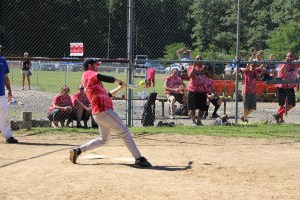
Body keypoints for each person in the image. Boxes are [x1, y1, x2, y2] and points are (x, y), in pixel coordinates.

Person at [69, 59, 151, 167]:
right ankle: (139, 159)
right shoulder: (88, 73)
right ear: (89, 66)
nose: (97, 67)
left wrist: (120, 87)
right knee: (125, 132)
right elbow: (103, 77)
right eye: (95, 65)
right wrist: (118, 80)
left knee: (104, 140)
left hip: (99, 113)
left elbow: (107, 95)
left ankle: (78, 150)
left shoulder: (93, 83)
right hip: (103, 111)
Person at [273, 52, 300, 123]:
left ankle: (278, 114)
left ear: (293, 57)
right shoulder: (283, 63)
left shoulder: (296, 64)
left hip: (290, 86)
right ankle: (280, 119)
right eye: (288, 56)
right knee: (281, 104)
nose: (289, 58)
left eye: (291, 56)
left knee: (292, 104)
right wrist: (286, 63)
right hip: (282, 86)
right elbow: (283, 71)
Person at [0, 45, 18, 143]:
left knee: (4, 116)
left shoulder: (2, 61)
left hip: (1, 94)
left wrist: (9, 91)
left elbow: (6, 77)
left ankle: (8, 136)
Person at [187, 55, 206, 126]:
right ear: (195, 59)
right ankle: (193, 121)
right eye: (198, 58)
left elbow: (211, 76)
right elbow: (190, 75)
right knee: (192, 108)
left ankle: (199, 121)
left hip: (202, 90)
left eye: (201, 58)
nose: (199, 59)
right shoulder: (190, 67)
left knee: (202, 107)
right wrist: (194, 67)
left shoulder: (204, 67)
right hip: (193, 90)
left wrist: (207, 69)